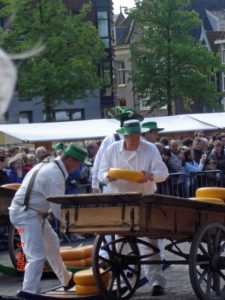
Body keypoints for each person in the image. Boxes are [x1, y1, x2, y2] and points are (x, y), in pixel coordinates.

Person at [98, 120, 169, 296]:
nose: (135, 139)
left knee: (150, 243)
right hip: (120, 201)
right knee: (119, 244)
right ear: (125, 135)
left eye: (138, 136)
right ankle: (121, 282)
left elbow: (163, 174)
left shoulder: (150, 149)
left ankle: (157, 282)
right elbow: (101, 173)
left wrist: (151, 175)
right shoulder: (112, 149)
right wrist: (108, 177)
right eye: (131, 136)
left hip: (145, 200)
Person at [9, 143, 87, 294]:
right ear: (70, 160)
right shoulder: (54, 173)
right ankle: (29, 292)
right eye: (79, 163)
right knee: (36, 256)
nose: (78, 167)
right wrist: (76, 225)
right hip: (25, 215)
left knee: (52, 243)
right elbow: (58, 208)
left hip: (33, 214)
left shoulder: (50, 166)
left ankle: (66, 279)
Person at [92, 106, 143, 193]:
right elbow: (99, 162)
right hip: (115, 189)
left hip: (137, 188)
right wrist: (95, 184)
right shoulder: (111, 139)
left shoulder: (142, 142)